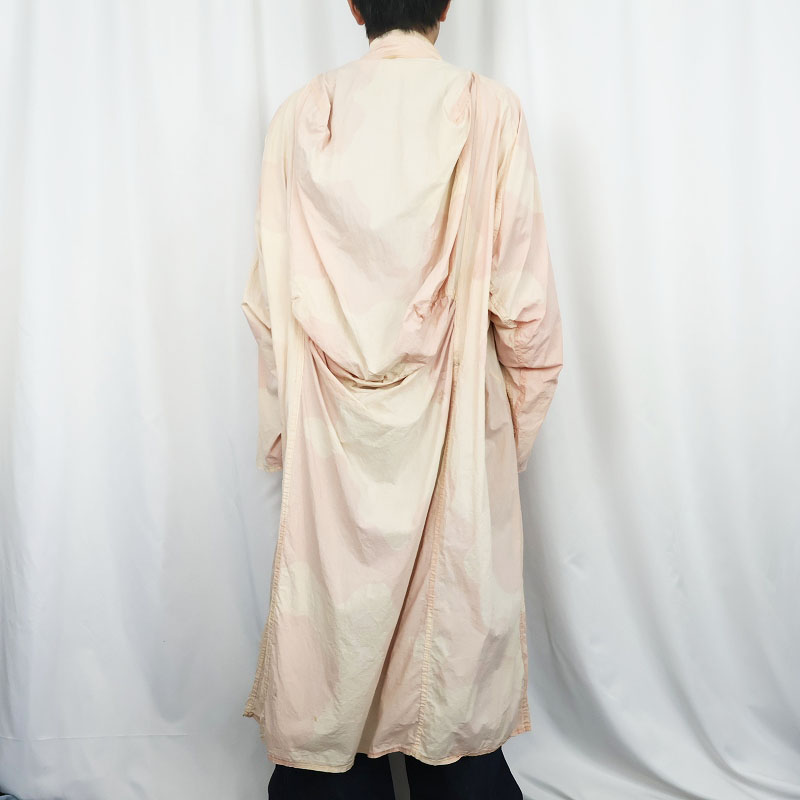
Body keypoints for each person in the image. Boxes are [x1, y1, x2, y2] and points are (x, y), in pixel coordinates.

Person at [240, 0, 564, 796]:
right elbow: (527, 311)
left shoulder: (299, 117)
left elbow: (269, 304)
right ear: (446, 5)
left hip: (329, 445)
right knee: (448, 674)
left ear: (354, 6)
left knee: (333, 658)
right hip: (455, 435)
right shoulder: (488, 110)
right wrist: (505, 438)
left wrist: (285, 430)